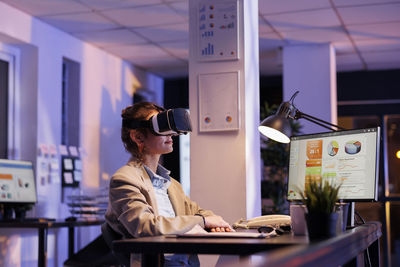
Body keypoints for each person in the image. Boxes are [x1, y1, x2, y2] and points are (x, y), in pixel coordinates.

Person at [104, 102, 232, 267]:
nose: (171, 133)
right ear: (138, 137)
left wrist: (213, 220)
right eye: (162, 127)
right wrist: (204, 222)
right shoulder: (124, 179)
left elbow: (197, 212)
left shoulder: (171, 184)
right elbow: (145, 226)